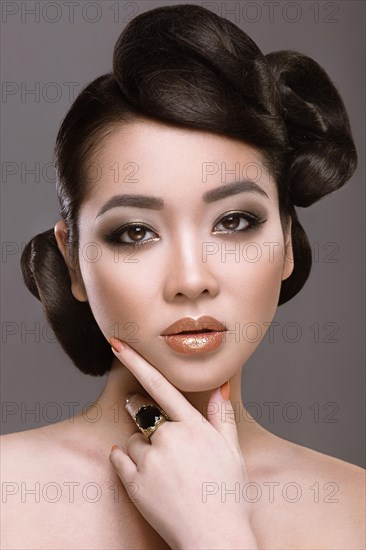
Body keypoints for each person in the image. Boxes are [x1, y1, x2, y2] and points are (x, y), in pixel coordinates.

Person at [1, 4, 364, 549]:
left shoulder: (354, 510)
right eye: (136, 232)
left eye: (235, 222)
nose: (191, 280)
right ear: (73, 259)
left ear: (286, 243)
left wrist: (215, 533)